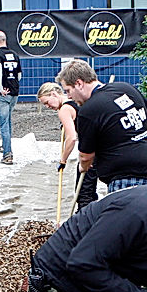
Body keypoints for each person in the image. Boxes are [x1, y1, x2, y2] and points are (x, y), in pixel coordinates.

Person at [57, 59, 147, 193]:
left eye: (68, 91)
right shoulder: (125, 88)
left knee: (125, 213)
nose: (69, 97)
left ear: (79, 83)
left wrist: (83, 167)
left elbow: (85, 156)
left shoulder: (88, 111)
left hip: (125, 175)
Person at [37, 81, 97, 211]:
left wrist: (63, 160)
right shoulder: (76, 101)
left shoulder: (64, 109)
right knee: (90, 190)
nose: (48, 106)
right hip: (100, 148)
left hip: (90, 153)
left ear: (54, 94)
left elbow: (71, 138)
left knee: (83, 194)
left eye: (47, 102)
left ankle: (84, 223)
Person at [0, 30, 22, 165]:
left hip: (3, 94)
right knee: (8, 121)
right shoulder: (14, 54)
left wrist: (0, 87)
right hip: (14, 92)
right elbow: (19, 75)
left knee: (4, 125)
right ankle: (5, 145)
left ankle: (7, 154)